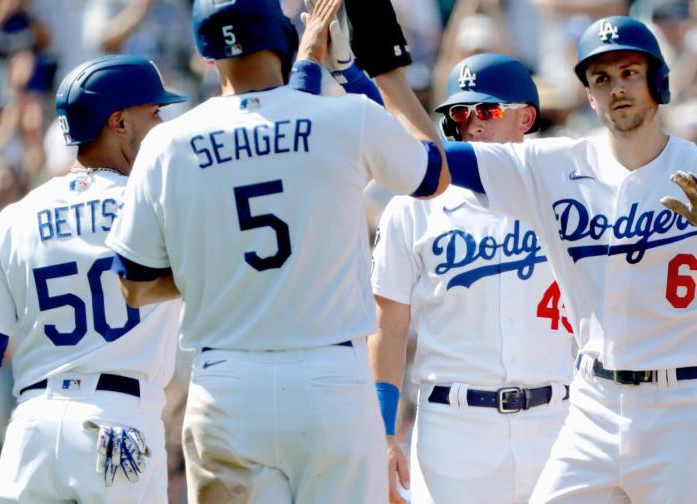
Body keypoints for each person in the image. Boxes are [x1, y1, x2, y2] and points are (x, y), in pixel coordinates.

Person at [393, 16, 697, 504]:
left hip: (686, 405)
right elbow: (434, 161)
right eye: (602, 78)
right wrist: (384, 73)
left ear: (658, 81)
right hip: (593, 404)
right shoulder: (555, 165)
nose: (617, 88)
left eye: (630, 72)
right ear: (589, 94)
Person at [104, 0, 448, 502]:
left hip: (226, 383)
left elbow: (133, 285)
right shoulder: (346, 118)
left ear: (205, 51)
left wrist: (221, 269)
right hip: (330, 380)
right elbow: (434, 175)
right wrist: (368, 72)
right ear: (281, 37)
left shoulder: (166, 143)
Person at [0, 55, 186, 503]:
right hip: (118, 425)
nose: (161, 122)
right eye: (153, 112)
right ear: (118, 122)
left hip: (31, 432)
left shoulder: (16, 216)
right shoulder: (157, 203)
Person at [370, 53, 573, 504]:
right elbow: (388, 327)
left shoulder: (565, 192)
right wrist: (383, 433)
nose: (472, 124)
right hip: (453, 429)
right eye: (461, 114)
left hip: (557, 421)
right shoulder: (413, 206)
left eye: (487, 111)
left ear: (526, 118)